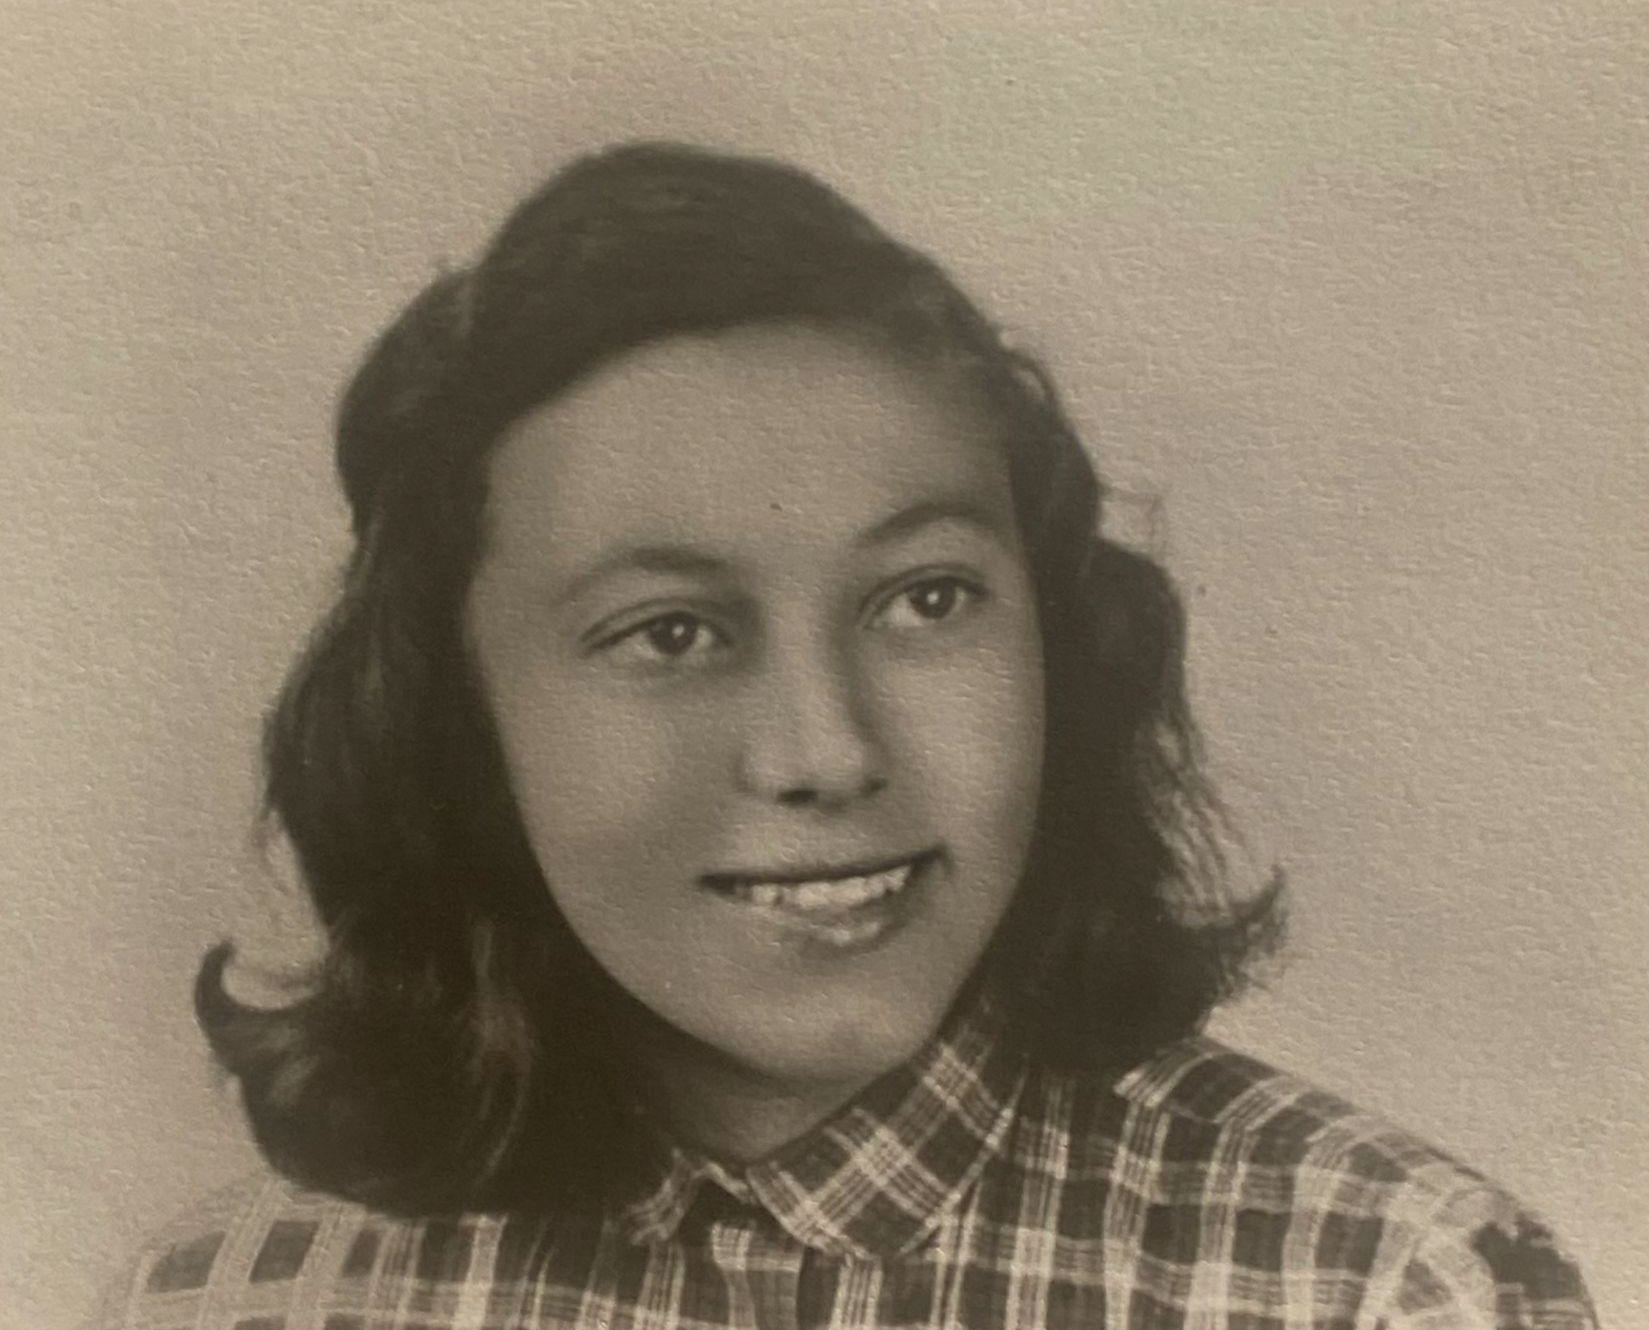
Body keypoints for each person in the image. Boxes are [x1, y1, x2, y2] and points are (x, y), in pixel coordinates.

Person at [95, 142, 1596, 1329]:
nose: (824, 751)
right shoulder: (233, 1300)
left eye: (927, 597)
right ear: (455, 722)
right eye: (671, 632)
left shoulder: (1402, 1288)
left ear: (1061, 650)